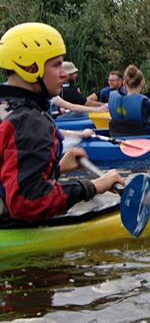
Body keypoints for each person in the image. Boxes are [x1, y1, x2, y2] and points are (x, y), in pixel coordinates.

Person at [0, 22, 124, 224]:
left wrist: (56, 168)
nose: (64, 74)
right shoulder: (30, 122)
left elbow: (9, 172)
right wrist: (94, 186)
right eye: (56, 65)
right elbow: (27, 201)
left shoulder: (6, 108)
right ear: (31, 68)